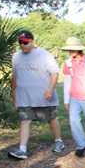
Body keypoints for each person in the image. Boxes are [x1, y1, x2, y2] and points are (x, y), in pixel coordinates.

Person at [9, 30, 64, 160]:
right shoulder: (16, 56)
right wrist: (14, 91)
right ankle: (22, 150)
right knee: (24, 121)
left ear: (32, 42)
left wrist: (50, 88)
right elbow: (15, 75)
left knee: (51, 119)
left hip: (43, 96)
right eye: (20, 43)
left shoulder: (44, 54)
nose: (22, 45)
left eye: (25, 43)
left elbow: (55, 73)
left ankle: (58, 141)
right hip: (24, 96)